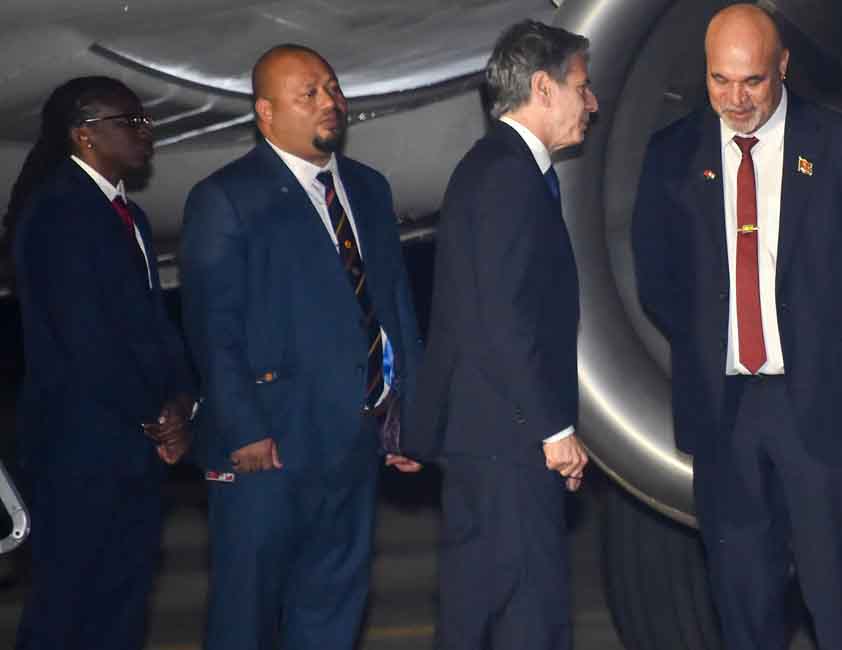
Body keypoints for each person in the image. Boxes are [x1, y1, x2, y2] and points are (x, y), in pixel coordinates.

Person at [630, 5, 842, 649]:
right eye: (719, 81)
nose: (735, 99)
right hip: (724, 413)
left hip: (819, 408)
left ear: (783, 67)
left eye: (752, 81)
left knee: (839, 601)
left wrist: (833, 349)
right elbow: (659, 279)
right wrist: (714, 343)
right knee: (742, 601)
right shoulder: (673, 155)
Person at [179, 44, 424, 650]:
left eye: (332, 88)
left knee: (334, 603)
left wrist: (410, 418)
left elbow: (394, 308)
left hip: (356, 439)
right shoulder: (227, 197)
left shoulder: (367, 189)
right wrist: (242, 428)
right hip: (272, 445)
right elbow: (213, 324)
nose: (329, 103)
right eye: (308, 94)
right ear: (265, 112)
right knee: (248, 611)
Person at [398, 19, 595, 650]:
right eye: (582, 86)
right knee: (525, 621)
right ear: (543, 87)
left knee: (492, 617)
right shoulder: (508, 178)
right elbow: (503, 321)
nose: (592, 102)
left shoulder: (499, 170)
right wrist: (555, 432)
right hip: (506, 442)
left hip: (496, 440)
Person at [6, 76, 195, 650]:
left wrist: (182, 399)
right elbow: (85, 337)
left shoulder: (127, 216)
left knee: (122, 605)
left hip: (129, 445)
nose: (145, 134)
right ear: (85, 135)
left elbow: (151, 325)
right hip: (79, 450)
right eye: (129, 122)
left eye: (145, 122)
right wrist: (152, 415)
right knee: (66, 608)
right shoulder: (59, 213)